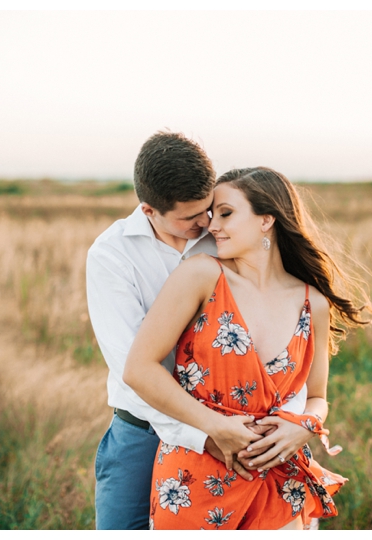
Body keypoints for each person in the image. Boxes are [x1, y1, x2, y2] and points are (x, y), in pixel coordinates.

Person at [123, 167, 372, 530]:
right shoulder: (201, 276)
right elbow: (139, 369)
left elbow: (317, 398)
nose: (212, 226)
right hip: (196, 477)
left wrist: (304, 427)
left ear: (266, 219)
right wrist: (214, 427)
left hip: (280, 481)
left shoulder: (312, 303)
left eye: (225, 213)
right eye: (212, 216)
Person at [86, 134, 308, 529]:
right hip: (145, 430)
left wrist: (293, 421)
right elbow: (132, 369)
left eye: (208, 210)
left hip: (238, 431)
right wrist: (207, 432)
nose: (205, 223)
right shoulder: (112, 255)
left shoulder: (223, 237)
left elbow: (278, 333)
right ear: (149, 210)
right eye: (190, 218)